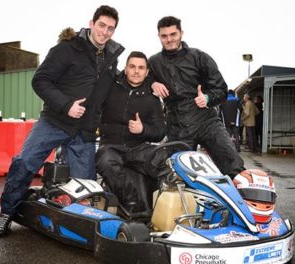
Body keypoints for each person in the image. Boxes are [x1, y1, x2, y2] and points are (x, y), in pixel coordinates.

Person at [0, 5, 124, 237]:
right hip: (54, 120)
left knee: (86, 185)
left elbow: (118, 89)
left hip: (84, 130)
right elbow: (40, 80)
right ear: (92, 23)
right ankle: (6, 214)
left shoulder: (112, 59)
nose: (105, 32)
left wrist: (151, 83)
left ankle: (76, 226)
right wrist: (66, 105)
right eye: (102, 25)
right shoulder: (67, 48)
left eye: (111, 29)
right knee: (24, 162)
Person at [149, 16, 245, 179]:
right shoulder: (153, 62)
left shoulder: (200, 57)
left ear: (181, 33)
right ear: (159, 36)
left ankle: (242, 202)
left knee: (233, 164)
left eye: (173, 34)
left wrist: (207, 98)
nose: (169, 39)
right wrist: (152, 83)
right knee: (178, 176)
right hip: (177, 126)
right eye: (164, 36)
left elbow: (221, 89)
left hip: (206, 120)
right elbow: (135, 78)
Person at [96, 51, 166, 214]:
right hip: (110, 146)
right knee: (105, 161)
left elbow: (160, 132)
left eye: (141, 68)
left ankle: (162, 207)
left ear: (147, 72)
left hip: (138, 148)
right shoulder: (110, 86)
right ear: (125, 69)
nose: (136, 71)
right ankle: (132, 203)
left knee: (166, 159)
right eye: (132, 66)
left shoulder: (152, 97)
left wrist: (143, 130)